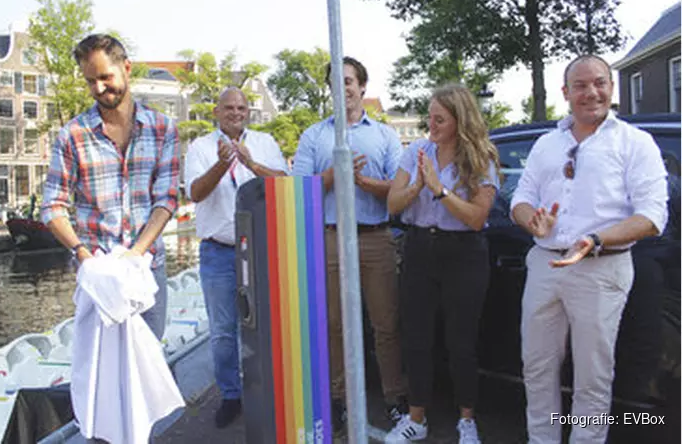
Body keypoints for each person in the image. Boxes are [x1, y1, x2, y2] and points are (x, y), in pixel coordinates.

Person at [510, 54, 668, 443]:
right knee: (537, 369)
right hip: (545, 265)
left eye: (599, 82)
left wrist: (595, 240)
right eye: (580, 85)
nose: (591, 92)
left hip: (601, 268)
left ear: (612, 88)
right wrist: (532, 219)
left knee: (592, 378)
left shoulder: (635, 143)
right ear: (565, 93)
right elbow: (520, 198)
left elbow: (652, 215)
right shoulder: (547, 143)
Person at [291, 56, 408, 434]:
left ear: (362, 87)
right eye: (335, 82)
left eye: (348, 81)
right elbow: (301, 191)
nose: (342, 89)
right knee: (333, 324)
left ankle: (395, 400)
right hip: (329, 238)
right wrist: (334, 174)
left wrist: (360, 182)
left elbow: (398, 188)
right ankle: (338, 401)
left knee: (386, 323)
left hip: (375, 237)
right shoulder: (313, 136)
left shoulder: (386, 135)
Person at [42, 34, 180, 341]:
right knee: (101, 372)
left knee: (150, 364)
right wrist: (81, 253)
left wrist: (136, 254)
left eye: (106, 77)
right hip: (98, 272)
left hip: (147, 268)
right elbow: (52, 205)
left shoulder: (163, 129)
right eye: (91, 81)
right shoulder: (72, 135)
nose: (99, 89)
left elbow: (167, 199)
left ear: (127, 68)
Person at [384, 83, 500, 444]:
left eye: (439, 119)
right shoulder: (417, 151)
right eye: (429, 118)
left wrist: (439, 190)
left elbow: (477, 218)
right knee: (417, 338)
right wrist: (418, 185)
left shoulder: (481, 156)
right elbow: (392, 204)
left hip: (463, 254)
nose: (431, 126)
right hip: (420, 249)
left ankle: (467, 420)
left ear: (459, 120)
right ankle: (416, 418)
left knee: (461, 341)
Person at [184, 86, 288, 428]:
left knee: (266, 325)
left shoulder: (264, 143)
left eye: (241, 108)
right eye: (228, 107)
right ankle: (230, 395)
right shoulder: (199, 147)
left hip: (260, 247)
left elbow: (284, 184)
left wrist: (250, 163)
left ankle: (266, 391)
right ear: (216, 112)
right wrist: (221, 164)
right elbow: (195, 193)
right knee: (223, 332)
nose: (235, 113)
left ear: (248, 112)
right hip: (218, 251)